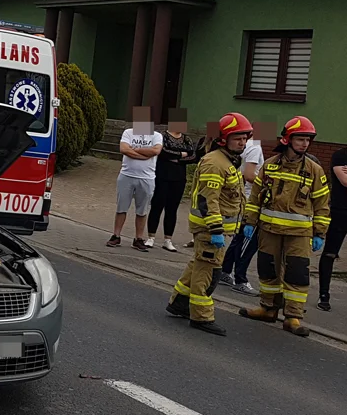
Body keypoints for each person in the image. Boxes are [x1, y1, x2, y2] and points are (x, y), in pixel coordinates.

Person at [240, 116, 332, 337]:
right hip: (269, 230)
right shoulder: (270, 165)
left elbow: (322, 204)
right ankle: (268, 308)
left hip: (299, 234)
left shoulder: (314, 170)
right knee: (267, 269)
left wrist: (320, 232)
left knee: (297, 274)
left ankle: (293, 316)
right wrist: (249, 222)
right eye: (300, 139)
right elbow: (255, 198)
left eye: (307, 140)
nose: (304, 144)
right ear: (287, 140)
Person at [166, 112, 252, 336]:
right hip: (211, 229)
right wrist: (215, 230)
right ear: (224, 139)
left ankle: (179, 304)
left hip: (217, 229)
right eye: (237, 138)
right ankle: (201, 316)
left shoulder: (227, 161)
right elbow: (208, 200)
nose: (242, 142)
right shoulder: (215, 163)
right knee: (208, 274)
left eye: (244, 138)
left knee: (198, 266)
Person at [108, 112, 163, 251]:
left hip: (147, 178)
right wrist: (144, 154)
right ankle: (116, 235)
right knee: (121, 208)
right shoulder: (128, 132)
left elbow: (156, 150)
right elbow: (123, 149)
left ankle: (138, 238)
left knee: (142, 210)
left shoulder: (156, 135)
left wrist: (136, 150)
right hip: (126, 175)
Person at [147, 118, 203, 252]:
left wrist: (176, 158)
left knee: (172, 209)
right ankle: (151, 237)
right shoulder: (163, 136)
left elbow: (193, 156)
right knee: (157, 205)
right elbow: (163, 153)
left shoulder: (187, 139)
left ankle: (168, 239)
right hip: (162, 176)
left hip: (178, 178)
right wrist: (181, 155)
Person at [219, 135, 265, 294]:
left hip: (242, 198)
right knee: (248, 242)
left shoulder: (247, 145)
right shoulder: (255, 147)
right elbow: (249, 175)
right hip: (250, 200)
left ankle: (225, 272)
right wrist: (270, 183)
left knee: (239, 239)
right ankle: (241, 279)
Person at [317, 145, 347, 311]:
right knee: (330, 253)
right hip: (340, 212)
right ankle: (324, 295)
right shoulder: (340, 155)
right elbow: (345, 181)